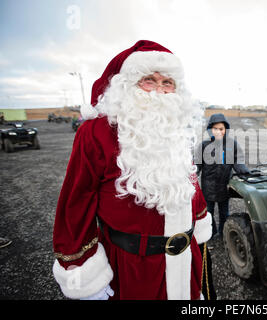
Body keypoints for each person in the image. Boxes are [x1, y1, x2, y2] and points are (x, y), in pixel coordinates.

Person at [52, 40, 213, 300]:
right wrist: (84, 273)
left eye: (167, 83)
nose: (159, 92)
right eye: (149, 80)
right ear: (127, 85)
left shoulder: (175, 128)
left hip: (186, 262)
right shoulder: (95, 133)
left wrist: (201, 220)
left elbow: (187, 180)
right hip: (132, 269)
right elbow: (75, 204)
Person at [196, 113, 250, 238]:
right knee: (208, 212)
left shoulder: (232, 144)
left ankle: (223, 233)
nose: (218, 131)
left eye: (221, 128)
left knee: (224, 212)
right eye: (215, 128)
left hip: (224, 185)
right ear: (210, 130)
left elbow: (238, 160)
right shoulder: (204, 145)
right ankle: (211, 232)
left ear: (226, 129)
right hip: (208, 186)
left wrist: (243, 171)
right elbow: (198, 163)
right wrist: (193, 173)